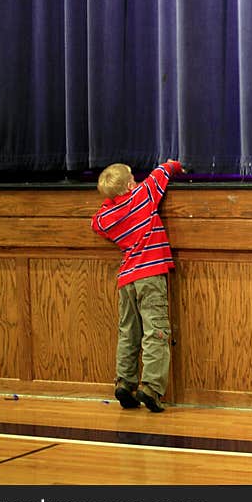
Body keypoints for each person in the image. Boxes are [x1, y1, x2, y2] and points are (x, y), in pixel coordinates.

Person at [91, 159, 185, 413]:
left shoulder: (107, 216)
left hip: (127, 278)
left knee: (128, 331)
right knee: (156, 331)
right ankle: (151, 388)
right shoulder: (142, 197)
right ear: (131, 184)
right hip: (150, 275)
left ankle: (124, 381)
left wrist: (112, 200)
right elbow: (161, 173)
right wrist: (174, 165)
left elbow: (96, 223)